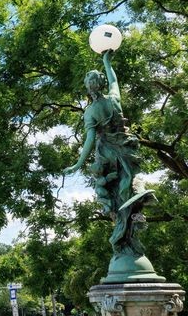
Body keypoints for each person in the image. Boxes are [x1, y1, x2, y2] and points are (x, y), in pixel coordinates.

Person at [64, 50, 151, 258]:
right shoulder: (114, 98)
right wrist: (106, 62)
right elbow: (114, 79)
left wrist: (77, 164)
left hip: (109, 154)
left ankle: (124, 228)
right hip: (126, 148)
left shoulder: (91, 111)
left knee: (114, 192)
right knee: (129, 185)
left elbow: (89, 141)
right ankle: (132, 223)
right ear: (101, 84)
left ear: (88, 87)